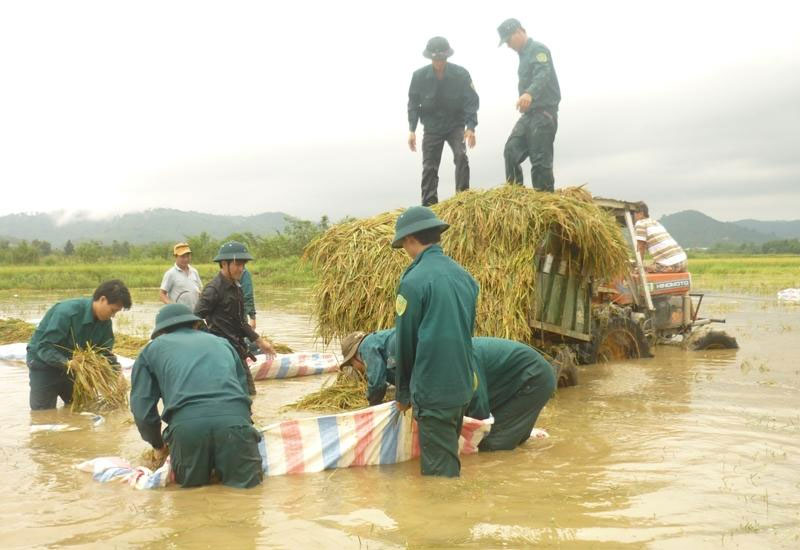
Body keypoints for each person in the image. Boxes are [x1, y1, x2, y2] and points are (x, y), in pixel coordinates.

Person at [340, 330, 555, 451]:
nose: (358, 370)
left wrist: (370, 415)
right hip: (514, 381)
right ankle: (525, 436)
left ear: (356, 355)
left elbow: (376, 384)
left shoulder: (368, 346)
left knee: (492, 447)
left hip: (533, 378)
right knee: (504, 434)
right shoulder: (404, 350)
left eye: (353, 365)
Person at [130, 304, 263, 488]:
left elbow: (142, 411)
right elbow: (244, 392)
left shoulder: (151, 351)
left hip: (188, 431)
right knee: (248, 498)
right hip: (235, 425)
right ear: (195, 325)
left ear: (161, 332)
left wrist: (158, 446)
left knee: (191, 500)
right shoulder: (222, 343)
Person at [392, 206, 479, 477]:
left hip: (433, 390)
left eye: (404, 243)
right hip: (462, 386)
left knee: (440, 476)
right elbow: (468, 330)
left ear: (410, 239)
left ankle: (446, 518)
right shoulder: (464, 276)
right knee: (446, 456)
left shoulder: (413, 282)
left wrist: (403, 393)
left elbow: (405, 343)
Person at [26, 279, 132, 410]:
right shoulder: (67, 312)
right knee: (43, 414)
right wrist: (68, 363)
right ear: (102, 299)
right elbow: (45, 347)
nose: (113, 316)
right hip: (43, 364)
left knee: (81, 408)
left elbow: (104, 352)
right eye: (112, 310)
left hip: (74, 367)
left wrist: (117, 373)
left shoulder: (105, 322)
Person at [195, 241, 275, 395]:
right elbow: (195, 317)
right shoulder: (213, 289)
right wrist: (212, 338)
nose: (241, 268)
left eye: (243, 264)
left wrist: (260, 341)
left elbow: (240, 322)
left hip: (237, 350)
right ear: (224, 264)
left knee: (250, 394)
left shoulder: (237, 288)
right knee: (229, 394)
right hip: (220, 354)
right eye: (237, 264)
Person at [408, 36, 479, 206]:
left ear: (447, 57)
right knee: (429, 166)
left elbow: (471, 100)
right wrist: (412, 129)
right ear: (431, 58)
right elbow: (413, 104)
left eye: (442, 58)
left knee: (461, 155)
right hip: (432, 127)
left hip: (455, 125)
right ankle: (429, 205)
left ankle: (463, 198)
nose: (439, 62)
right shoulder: (418, 77)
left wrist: (471, 127)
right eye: (436, 59)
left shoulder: (461, 74)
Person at [498, 17, 561, 192]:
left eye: (508, 40)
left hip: (544, 113)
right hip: (529, 115)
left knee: (540, 161)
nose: (508, 46)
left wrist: (529, 93)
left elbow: (543, 73)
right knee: (510, 150)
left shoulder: (538, 49)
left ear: (519, 31)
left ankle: (546, 200)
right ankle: (515, 195)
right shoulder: (522, 56)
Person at [339, 329, 396, 406]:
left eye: (352, 364)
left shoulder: (365, 347)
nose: (355, 368)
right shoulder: (376, 340)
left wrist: (372, 404)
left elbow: (377, 383)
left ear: (354, 355)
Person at [634, 202, 688, 273]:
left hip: (671, 264)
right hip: (683, 261)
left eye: (634, 213)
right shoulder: (655, 223)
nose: (634, 216)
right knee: (651, 265)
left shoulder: (640, 224)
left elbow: (641, 247)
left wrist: (638, 266)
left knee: (642, 270)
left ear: (640, 213)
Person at [159, 242, 202, 309]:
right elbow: (162, 294)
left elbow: (199, 291)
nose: (186, 259)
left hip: (194, 313)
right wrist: (172, 306)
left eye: (188, 256)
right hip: (179, 314)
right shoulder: (171, 273)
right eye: (182, 256)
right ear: (176, 256)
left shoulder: (194, 271)